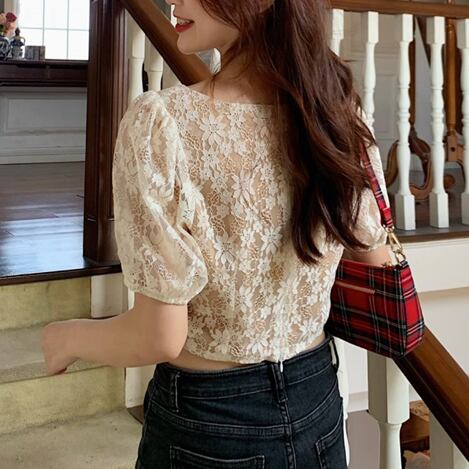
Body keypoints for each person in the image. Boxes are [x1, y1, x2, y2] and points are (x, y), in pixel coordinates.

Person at [41, 0, 394, 467]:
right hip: (318, 400)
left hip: (211, 421)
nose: (175, 1)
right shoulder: (336, 114)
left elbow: (158, 336)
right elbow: (375, 257)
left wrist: (66, 338)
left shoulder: (163, 123)